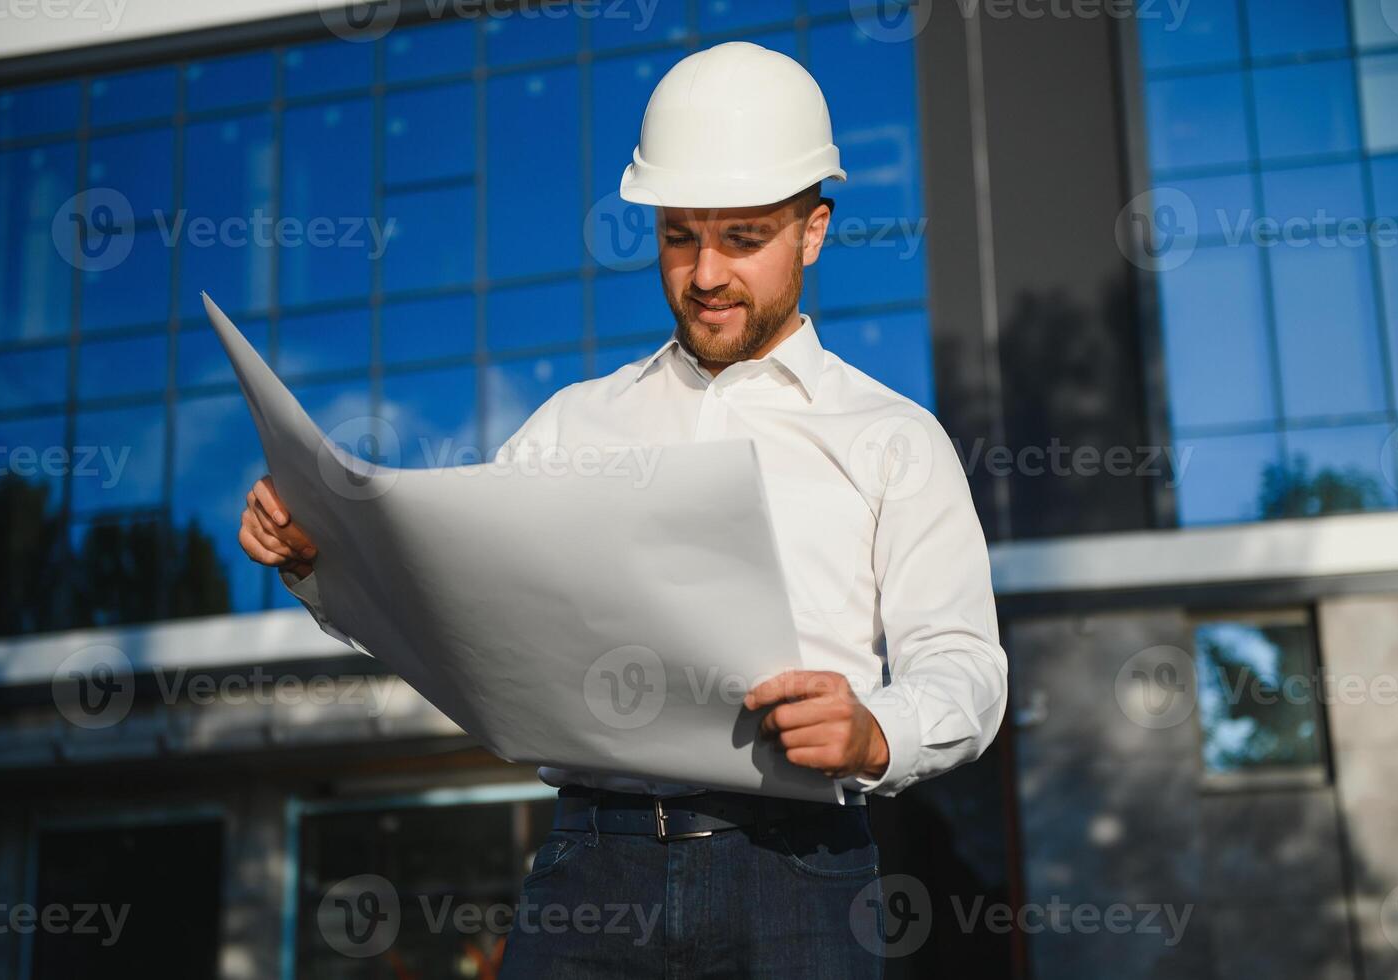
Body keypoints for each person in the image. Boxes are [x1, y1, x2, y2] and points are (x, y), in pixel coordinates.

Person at [239, 40, 1008, 978]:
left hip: (799, 875)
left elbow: (963, 664)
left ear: (812, 231)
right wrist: (320, 562)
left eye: (742, 239)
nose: (705, 273)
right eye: (679, 235)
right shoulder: (573, 425)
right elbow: (449, 603)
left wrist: (876, 731)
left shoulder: (892, 435)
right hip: (591, 869)